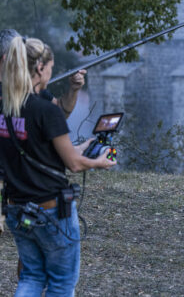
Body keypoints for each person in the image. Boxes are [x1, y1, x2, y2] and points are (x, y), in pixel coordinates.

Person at [0, 36, 116, 296]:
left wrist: (82, 148)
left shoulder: (5, 107)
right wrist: (98, 161)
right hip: (50, 211)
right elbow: (73, 165)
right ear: (40, 69)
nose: (51, 72)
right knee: (61, 283)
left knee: (31, 277)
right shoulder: (45, 111)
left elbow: (41, 152)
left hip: (17, 207)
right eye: (50, 67)